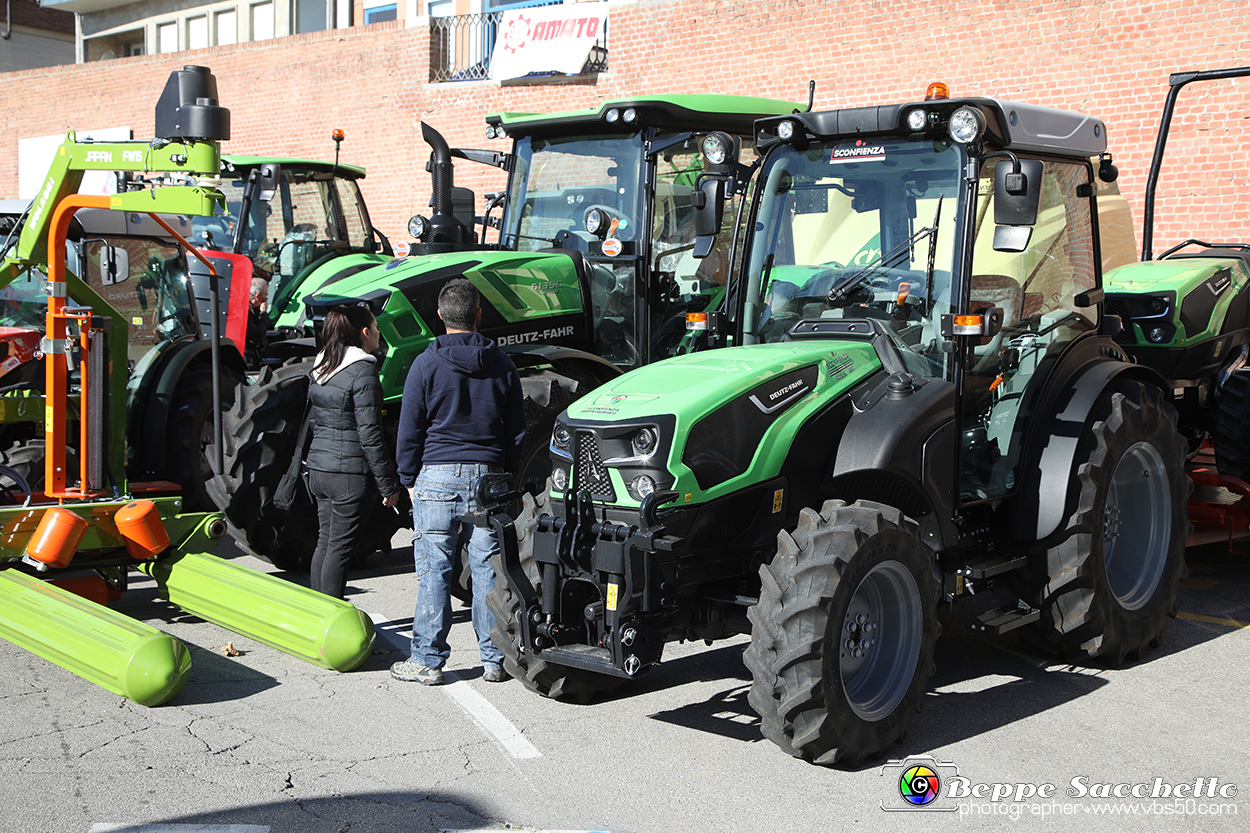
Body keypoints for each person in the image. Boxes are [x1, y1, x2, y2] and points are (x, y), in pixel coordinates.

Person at [392, 278, 526, 685]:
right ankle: (493, 660)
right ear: (479, 315)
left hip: (435, 477)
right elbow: (516, 431)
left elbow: (409, 428)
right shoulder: (501, 363)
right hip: (487, 479)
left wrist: (407, 478)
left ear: (439, 316)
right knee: (487, 572)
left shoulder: (425, 363)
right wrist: (505, 474)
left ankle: (428, 662)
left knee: (434, 571)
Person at [306, 305, 402, 599]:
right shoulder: (363, 371)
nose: (378, 332)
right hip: (348, 474)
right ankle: (330, 619)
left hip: (319, 469)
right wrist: (388, 485)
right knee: (339, 548)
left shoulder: (321, 367)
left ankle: (317, 614)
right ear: (364, 332)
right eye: (375, 326)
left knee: (325, 541)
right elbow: (370, 434)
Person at [245, 276, 269, 371]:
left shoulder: (252, 309)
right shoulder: (245, 311)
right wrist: (263, 312)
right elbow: (257, 335)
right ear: (258, 296)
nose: (266, 299)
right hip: (248, 359)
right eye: (265, 295)